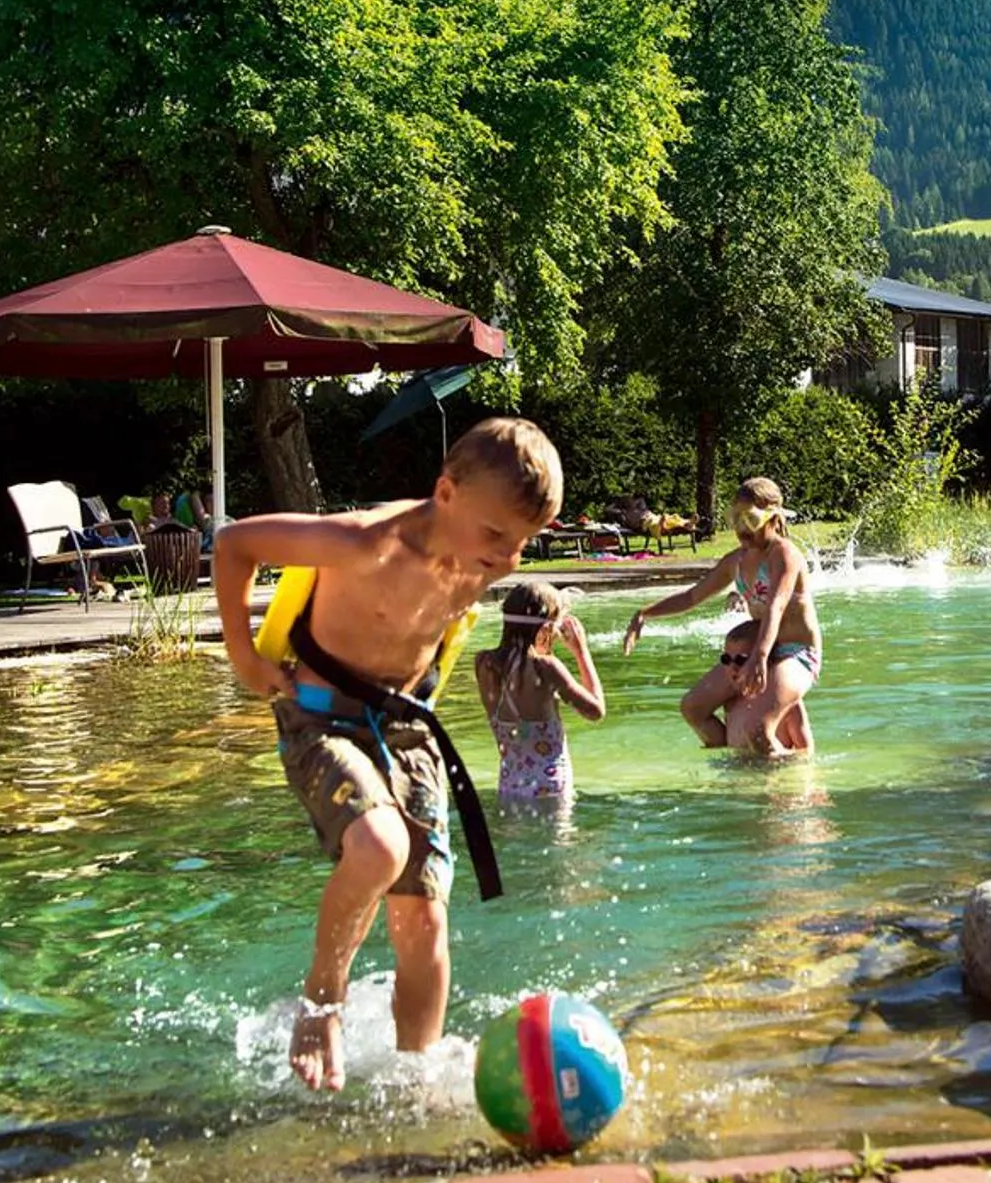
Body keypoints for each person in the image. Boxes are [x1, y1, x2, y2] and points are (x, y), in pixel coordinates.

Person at [212, 416, 562, 1092]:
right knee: (377, 849)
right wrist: (244, 657)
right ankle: (321, 1003)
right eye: (496, 535)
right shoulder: (366, 542)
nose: (507, 557)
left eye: (524, 542)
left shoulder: (481, 556)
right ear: (445, 493)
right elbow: (234, 544)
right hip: (320, 722)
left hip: (405, 730)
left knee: (425, 914)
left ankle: (416, 1077)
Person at [624, 477, 821, 757]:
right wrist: (645, 613)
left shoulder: (784, 555)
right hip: (759, 649)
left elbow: (776, 606)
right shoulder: (736, 561)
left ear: (773, 518)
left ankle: (792, 776)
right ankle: (732, 764)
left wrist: (760, 657)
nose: (742, 528)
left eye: (750, 519)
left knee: (757, 731)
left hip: (795, 653)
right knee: (693, 708)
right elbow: (693, 596)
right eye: (735, 519)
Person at [474, 580, 606, 805]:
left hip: (509, 784)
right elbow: (596, 711)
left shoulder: (484, 663)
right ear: (545, 627)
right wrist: (581, 652)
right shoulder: (546, 667)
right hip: (551, 785)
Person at [681, 620, 815, 754]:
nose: (732, 667)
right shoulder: (730, 701)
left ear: (763, 662)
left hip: (775, 770)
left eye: (741, 660)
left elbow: (806, 751)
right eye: (726, 659)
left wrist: (777, 757)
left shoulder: (786, 703)